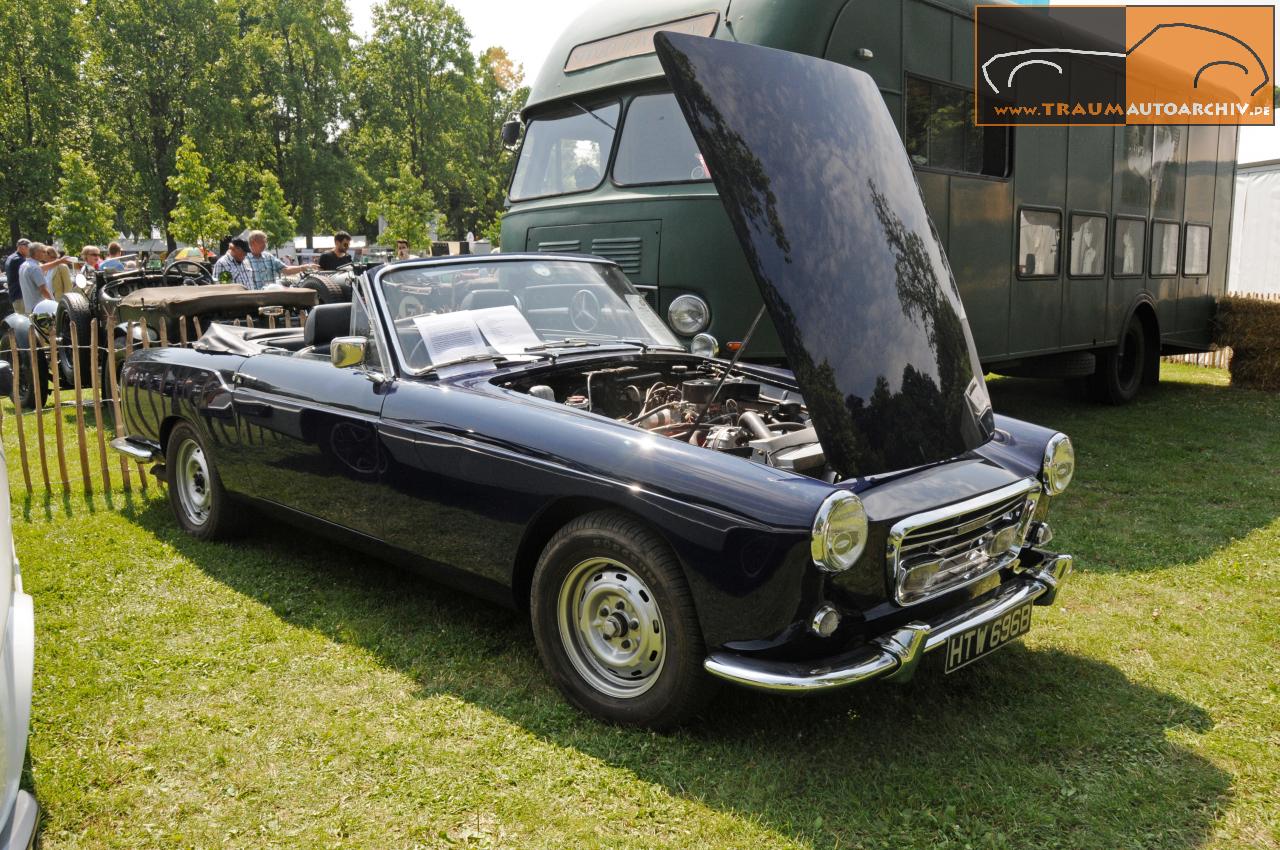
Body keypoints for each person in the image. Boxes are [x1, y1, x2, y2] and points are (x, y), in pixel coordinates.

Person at [245, 230, 315, 289]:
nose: (265, 245)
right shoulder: (244, 259)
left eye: (265, 242)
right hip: (252, 298)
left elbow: (285, 270)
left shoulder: (269, 257)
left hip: (270, 297)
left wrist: (304, 267)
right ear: (253, 242)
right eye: (262, 242)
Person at [17, 242, 61, 312]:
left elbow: (43, 267)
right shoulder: (35, 268)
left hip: (29, 307)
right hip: (40, 308)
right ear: (36, 253)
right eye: (43, 251)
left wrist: (60, 261)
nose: (45, 254)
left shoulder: (23, 266)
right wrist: (54, 304)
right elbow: (43, 290)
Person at [5, 239, 30, 315]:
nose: (30, 250)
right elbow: (34, 269)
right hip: (20, 296)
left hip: (15, 295)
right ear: (22, 247)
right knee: (26, 322)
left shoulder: (11, 257)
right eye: (29, 248)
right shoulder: (18, 260)